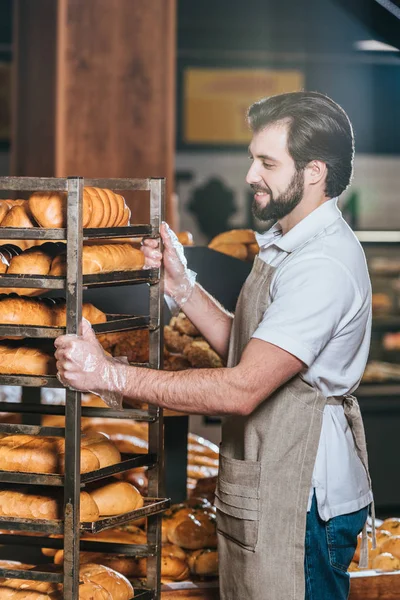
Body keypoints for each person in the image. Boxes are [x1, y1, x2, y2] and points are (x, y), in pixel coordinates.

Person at [55, 91, 374, 600]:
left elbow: (242, 388)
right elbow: (250, 352)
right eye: (253, 159)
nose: (250, 175)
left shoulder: (322, 265)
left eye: (267, 162)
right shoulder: (292, 247)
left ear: (314, 172)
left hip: (301, 497)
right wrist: (184, 288)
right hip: (273, 481)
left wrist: (108, 374)